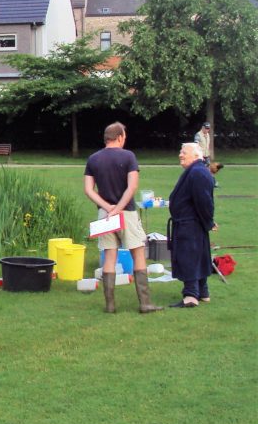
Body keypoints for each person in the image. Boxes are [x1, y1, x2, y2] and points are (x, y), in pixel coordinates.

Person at [84, 122, 162, 313]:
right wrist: (118, 208)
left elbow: (88, 190)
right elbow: (132, 187)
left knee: (110, 256)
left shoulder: (93, 159)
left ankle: (110, 305)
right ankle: (145, 303)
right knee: (138, 253)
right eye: (124, 136)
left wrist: (107, 208)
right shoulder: (128, 156)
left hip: (104, 215)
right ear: (119, 137)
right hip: (126, 212)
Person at [167, 142, 217, 308]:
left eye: (184, 152)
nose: (180, 155)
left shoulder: (197, 172)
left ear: (196, 155)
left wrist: (208, 222)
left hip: (190, 224)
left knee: (188, 257)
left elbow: (204, 202)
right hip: (190, 222)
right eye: (180, 151)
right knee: (199, 256)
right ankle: (203, 293)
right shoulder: (195, 171)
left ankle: (191, 296)